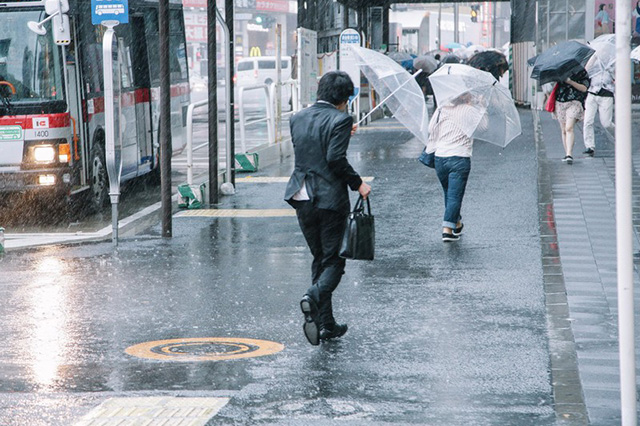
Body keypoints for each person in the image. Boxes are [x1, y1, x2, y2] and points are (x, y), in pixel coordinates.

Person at [284, 70, 371, 346]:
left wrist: (344, 131)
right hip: (329, 199)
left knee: (320, 258)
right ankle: (312, 297)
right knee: (334, 261)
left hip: (301, 195)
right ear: (344, 99)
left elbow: (312, 144)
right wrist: (358, 184)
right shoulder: (341, 119)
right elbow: (334, 158)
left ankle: (326, 324)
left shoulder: (296, 117)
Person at [425, 93, 480, 242]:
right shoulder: (470, 110)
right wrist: (480, 106)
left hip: (440, 157)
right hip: (459, 156)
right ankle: (447, 230)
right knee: (455, 196)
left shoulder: (442, 108)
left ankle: (457, 223)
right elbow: (484, 126)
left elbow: (431, 128)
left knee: (449, 194)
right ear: (466, 95)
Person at [550, 69, 590, 164]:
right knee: (564, 130)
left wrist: (570, 82)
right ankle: (567, 153)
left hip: (575, 102)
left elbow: (584, 88)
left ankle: (569, 154)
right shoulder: (559, 70)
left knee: (569, 128)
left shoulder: (581, 71)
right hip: (560, 102)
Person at [582, 56, 615, 157]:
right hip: (592, 93)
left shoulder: (613, 62)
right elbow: (585, 71)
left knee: (606, 123)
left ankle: (620, 137)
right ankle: (589, 146)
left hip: (606, 94)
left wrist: (609, 68)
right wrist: (594, 58)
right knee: (588, 121)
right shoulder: (594, 61)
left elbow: (618, 77)